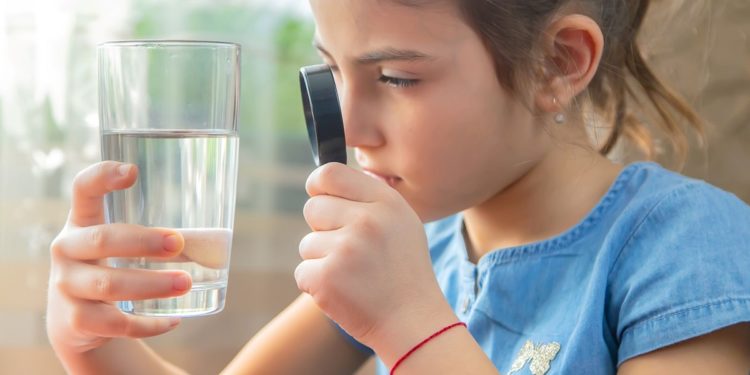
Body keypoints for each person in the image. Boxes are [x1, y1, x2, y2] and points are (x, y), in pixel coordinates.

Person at [46, 0, 750, 374]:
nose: (350, 123)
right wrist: (93, 343)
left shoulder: (687, 249)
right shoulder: (420, 248)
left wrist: (412, 324)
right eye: (330, 71)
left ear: (558, 63)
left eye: (396, 78)